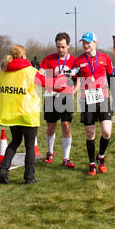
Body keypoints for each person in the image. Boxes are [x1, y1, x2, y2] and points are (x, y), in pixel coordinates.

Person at [0, 44, 48, 185]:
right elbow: (45, 82)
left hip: (12, 114)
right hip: (28, 114)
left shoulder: (4, 72)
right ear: (23, 56)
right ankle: (29, 178)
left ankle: (3, 168)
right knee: (30, 146)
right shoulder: (30, 71)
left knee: (15, 141)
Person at [72, 32, 115, 176]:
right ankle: (92, 163)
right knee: (90, 133)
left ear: (95, 43)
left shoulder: (105, 58)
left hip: (103, 98)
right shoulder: (78, 61)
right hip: (87, 100)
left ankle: (101, 157)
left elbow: (111, 78)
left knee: (106, 131)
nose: (85, 45)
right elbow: (74, 78)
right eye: (83, 43)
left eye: (88, 42)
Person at [39, 32, 76, 168]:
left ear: (68, 46)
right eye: (58, 47)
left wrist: (74, 90)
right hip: (51, 96)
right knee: (51, 127)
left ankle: (66, 158)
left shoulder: (73, 61)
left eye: (63, 47)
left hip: (66, 97)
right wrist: (40, 74)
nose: (60, 50)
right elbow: (41, 72)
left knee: (66, 126)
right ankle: (50, 152)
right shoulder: (49, 59)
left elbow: (79, 78)